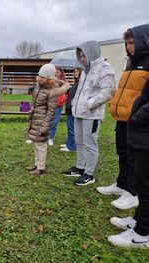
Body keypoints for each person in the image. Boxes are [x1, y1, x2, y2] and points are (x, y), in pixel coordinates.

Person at [97, 24, 149, 210]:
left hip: (137, 120)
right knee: (123, 153)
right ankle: (121, 184)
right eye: (126, 43)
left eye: (132, 43)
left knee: (134, 158)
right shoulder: (130, 64)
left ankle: (132, 192)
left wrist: (137, 115)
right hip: (121, 119)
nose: (128, 47)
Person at [63, 40, 116, 186]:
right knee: (79, 141)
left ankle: (89, 173)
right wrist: (75, 104)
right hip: (79, 112)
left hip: (92, 115)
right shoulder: (85, 71)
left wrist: (89, 104)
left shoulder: (105, 68)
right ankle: (80, 168)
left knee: (90, 144)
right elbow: (80, 91)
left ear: (92, 53)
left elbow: (109, 91)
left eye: (83, 55)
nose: (81, 59)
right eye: (79, 56)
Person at [107, 78, 149, 248]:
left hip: (144, 128)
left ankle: (142, 234)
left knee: (145, 185)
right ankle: (139, 221)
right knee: (142, 182)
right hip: (142, 131)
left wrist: (137, 115)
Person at [26, 64, 69, 175]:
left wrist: (45, 125)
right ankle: (36, 164)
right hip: (35, 120)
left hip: (42, 122)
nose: (40, 78)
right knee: (35, 144)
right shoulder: (39, 87)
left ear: (49, 78)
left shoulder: (52, 91)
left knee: (41, 145)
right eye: (39, 76)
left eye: (43, 77)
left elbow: (51, 111)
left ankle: (41, 167)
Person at [60, 67, 82, 152]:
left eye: (77, 71)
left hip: (73, 109)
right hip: (70, 109)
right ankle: (69, 143)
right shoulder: (76, 83)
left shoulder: (81, 83)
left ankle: (72, 147)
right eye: (75, 71)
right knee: (70, 127)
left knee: (72, 128)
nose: (75, 73)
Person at [48, 66, 68, 146]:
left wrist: (63, 99)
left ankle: (50, 138)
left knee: (55, 122)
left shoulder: (63, 82)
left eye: (57, 72)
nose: (56, 73)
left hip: (58, 106)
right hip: (50, 105)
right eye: (55, 71)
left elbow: (66, 93)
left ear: (61, 73)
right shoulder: (50, 81)